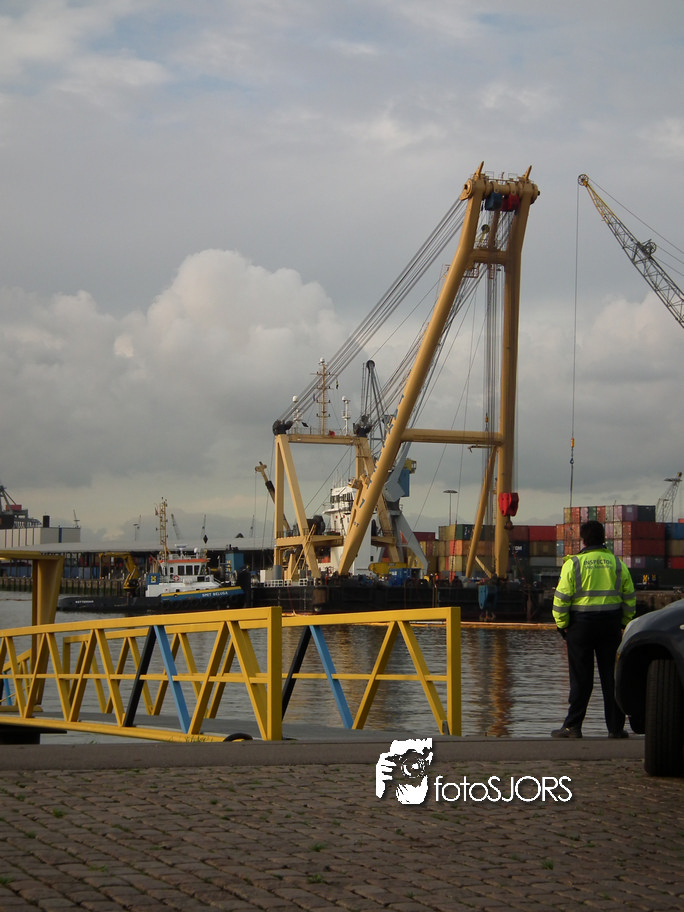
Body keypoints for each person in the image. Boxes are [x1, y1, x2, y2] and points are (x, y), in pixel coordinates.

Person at [552, 519, 636, 739]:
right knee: (611, 678)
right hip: (611, 626)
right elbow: (629, 598)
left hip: (580, 627)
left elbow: (561, 599)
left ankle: (573, 727)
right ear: (603, 538)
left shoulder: (574, 564)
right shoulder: (617, 564)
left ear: (583, 540)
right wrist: (624, 622)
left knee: (581, 678)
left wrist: (563, 625)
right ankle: (615, 729)